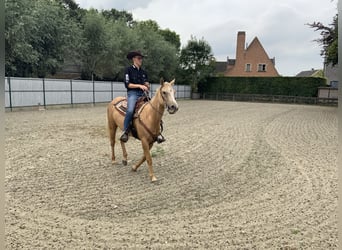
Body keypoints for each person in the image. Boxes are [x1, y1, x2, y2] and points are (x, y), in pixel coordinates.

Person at [120, 51, 165, 143]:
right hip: (133, 93)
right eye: (139, 58)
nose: (141, 60)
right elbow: (127, 85)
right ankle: (125, 131)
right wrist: (139, 86)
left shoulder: (144, 72)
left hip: (143, 94)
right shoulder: (128, 70)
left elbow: (146, 83)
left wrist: (146, 85)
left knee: (154, 109)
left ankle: (157, 132)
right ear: (134, 59)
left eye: (141, 58)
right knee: (130, 110)